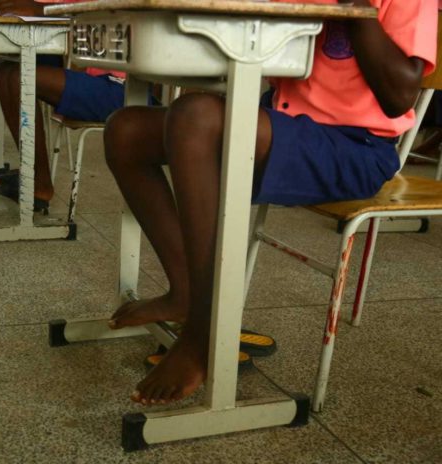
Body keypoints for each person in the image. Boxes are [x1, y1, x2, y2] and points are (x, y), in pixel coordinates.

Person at [103, 0, 437, 405]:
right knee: (127, 131)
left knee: (196, 117)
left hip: (357, 148)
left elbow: (399, 95)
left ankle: (205, 331)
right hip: (285, 124)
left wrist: (356, 10)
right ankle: (186, 292)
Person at [0, 0, 125, 210]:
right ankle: (31, 174)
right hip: (100, 80)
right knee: (6, 73)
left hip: (123, 90)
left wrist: (27, 8)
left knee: (18, 77)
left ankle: (40, 184)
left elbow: (48, 9)